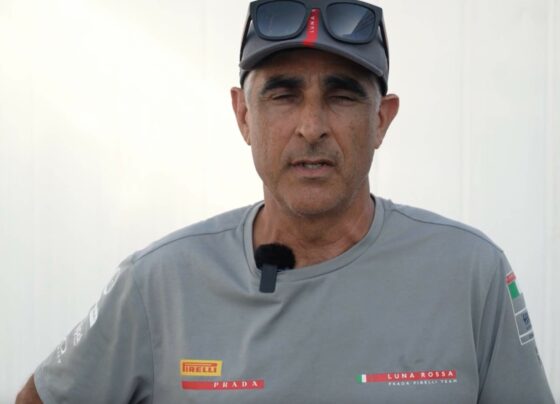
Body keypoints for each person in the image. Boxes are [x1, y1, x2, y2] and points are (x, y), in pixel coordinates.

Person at [16, 0, 555, 403]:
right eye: (283, 95)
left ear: (382, 119)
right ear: (243, 116)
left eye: (342, 95)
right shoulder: (159, 284)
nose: (311, 126)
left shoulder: (470, 274)